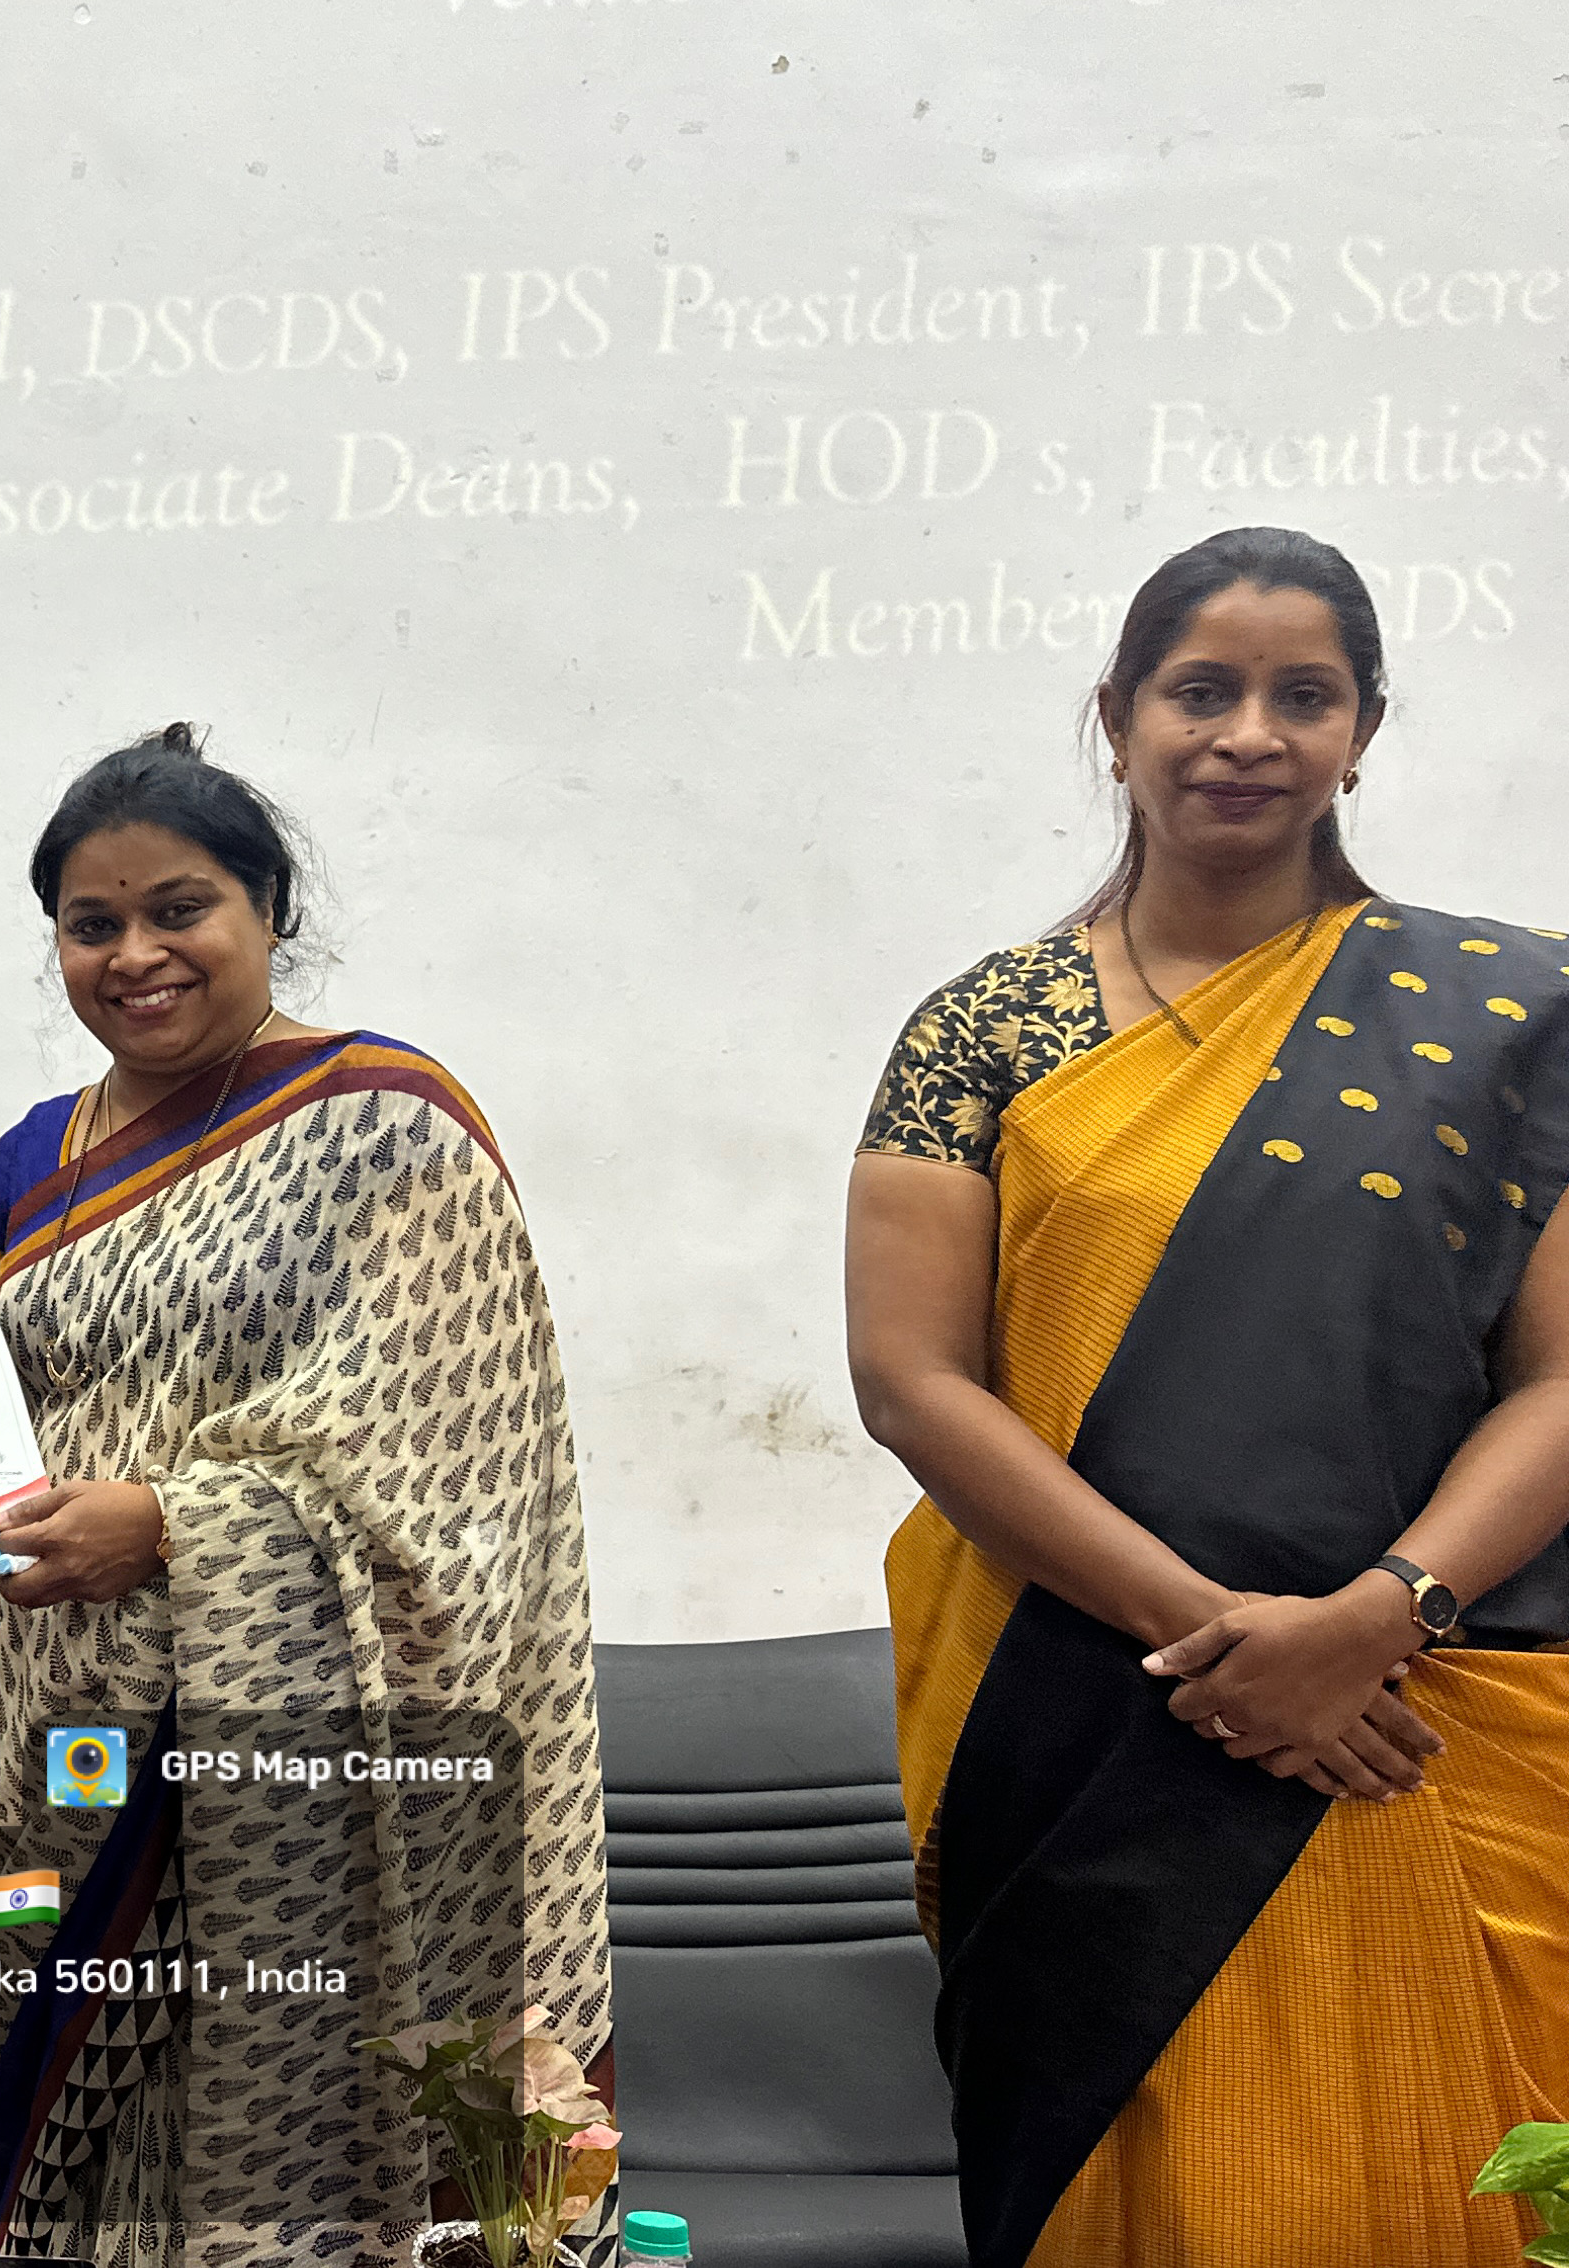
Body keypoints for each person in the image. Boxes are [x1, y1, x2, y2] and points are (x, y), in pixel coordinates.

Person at [847, 526, 1569, 2267]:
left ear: (1360, 730)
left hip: (1425, 1707)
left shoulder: (1508, 1015)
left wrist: (1371, 1616)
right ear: (1115, 718)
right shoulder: (984, 1029)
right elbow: (909, 1378)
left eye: (1299, 694)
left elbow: (1559, 1377)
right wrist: (1221, 1641)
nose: (1245, 730)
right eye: (1199, 689)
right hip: (1090, 1712)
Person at [0, 729, 611, 2265]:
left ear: (268, 906)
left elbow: (455, 1465)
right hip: (69, 1730)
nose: (134, 955)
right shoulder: (30, 1163)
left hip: (305, 1760)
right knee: (79, 2127)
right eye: (90, 925)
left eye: (180, 909)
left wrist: (175, 1525)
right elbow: (3, 1429)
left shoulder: (385, 1124)